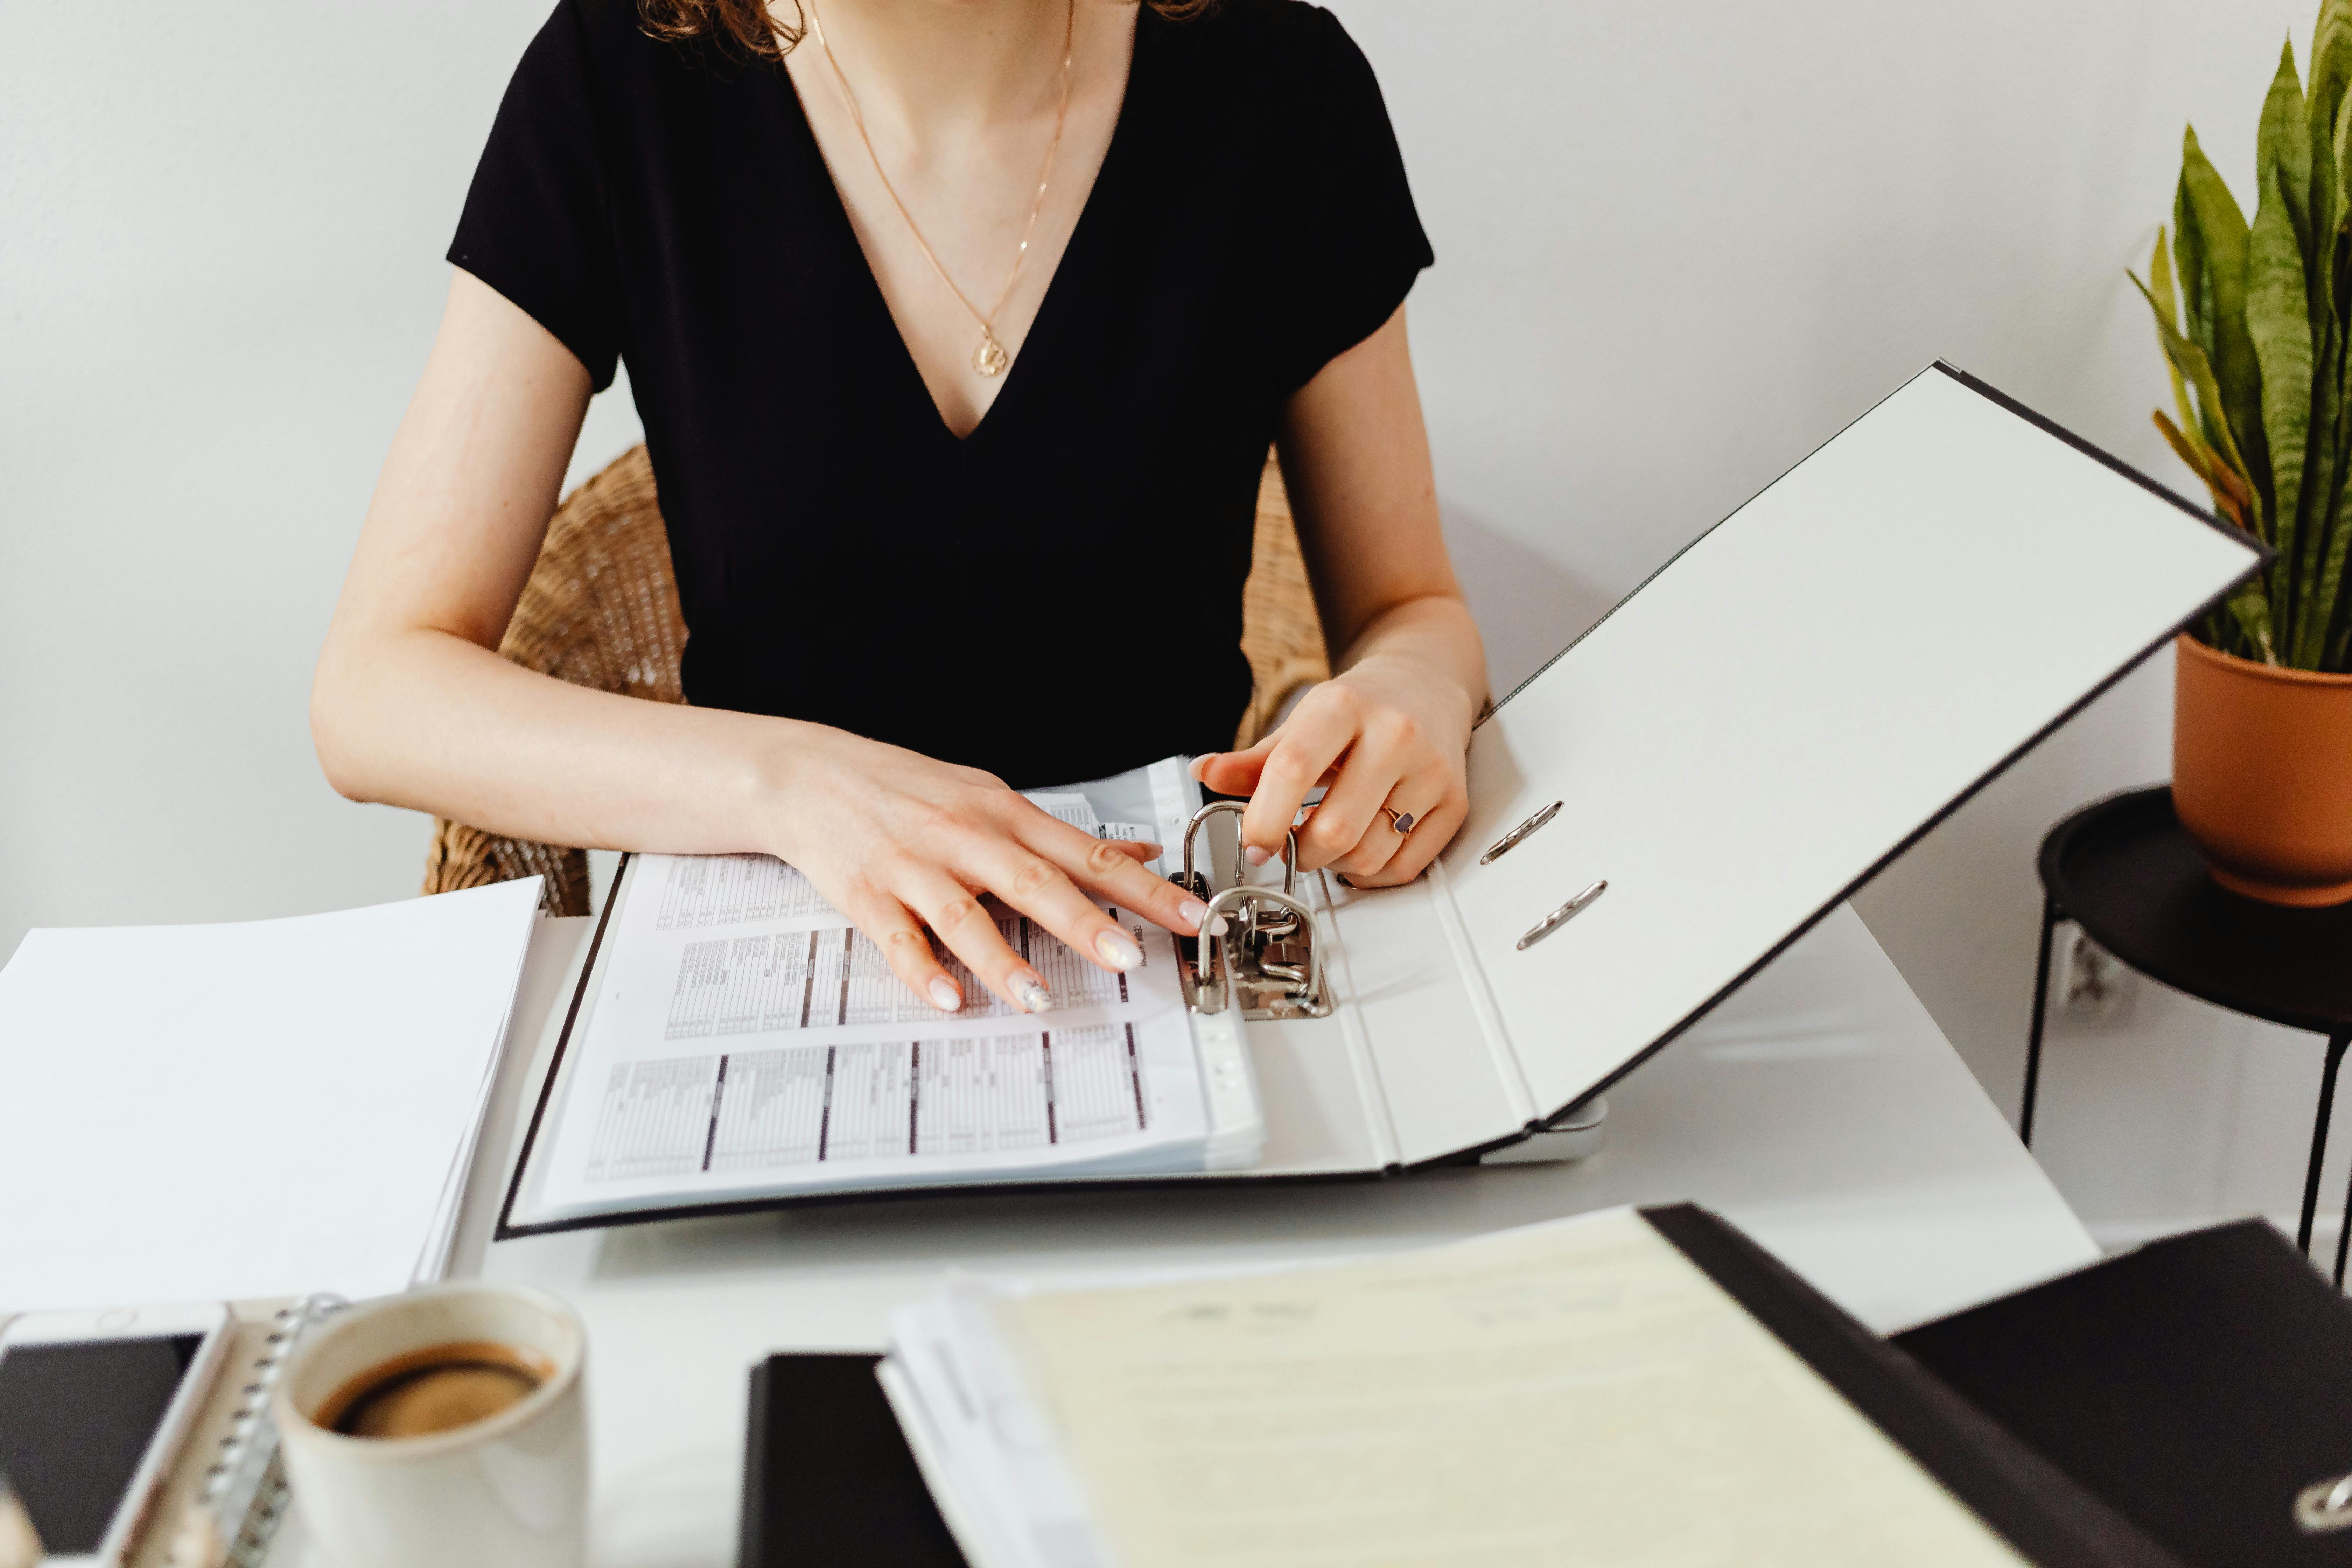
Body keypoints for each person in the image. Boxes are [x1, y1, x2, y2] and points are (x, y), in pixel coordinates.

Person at [310, 0, 1486, 1018]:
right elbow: (375, 693)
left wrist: (1415, 685)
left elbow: (1410, 604)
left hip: (1169, 962)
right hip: (779, 969)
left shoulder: (1282, 84)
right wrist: (787, 785)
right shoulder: (618, 75)